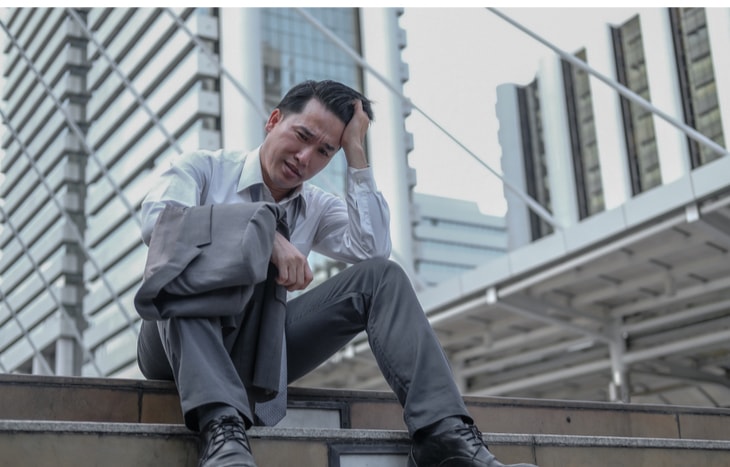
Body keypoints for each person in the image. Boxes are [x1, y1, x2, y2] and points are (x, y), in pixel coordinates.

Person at [134, 79, 538, 467]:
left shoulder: (315, 206)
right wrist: (263, 235)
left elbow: (372, 249)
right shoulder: (203, 169)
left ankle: (444, 437)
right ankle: (222, 429)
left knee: (382, 277)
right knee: (190, 259)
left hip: (257, 347)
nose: (305, 159)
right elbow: (159, 223)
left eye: (325, 151)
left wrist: (356, 154)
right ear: (274, 121)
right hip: (174, 342)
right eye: (303, 136)